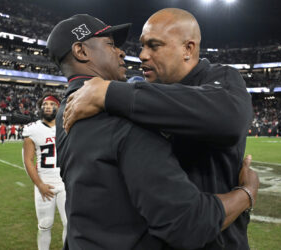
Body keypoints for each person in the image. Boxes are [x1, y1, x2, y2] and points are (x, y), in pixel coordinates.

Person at [47, 14, 258, 250]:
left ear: (188, 49)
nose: (140, 55)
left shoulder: (219, 79)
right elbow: (183, 220)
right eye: (142, 46)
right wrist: (246, 193)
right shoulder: (112, 106)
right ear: (81, 52)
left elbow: (229, 118)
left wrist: (108, 93)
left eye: (154, 46)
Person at [22, 93, 67, 250]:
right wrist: (39, 184)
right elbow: (27, 160)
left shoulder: (67, 125)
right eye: (45, 105)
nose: (47, 107)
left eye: (52, 104)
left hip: (65, 183)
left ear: (58, 107)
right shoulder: (32, 129)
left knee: (69, 223)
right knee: (45, 225)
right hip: (44, 183)